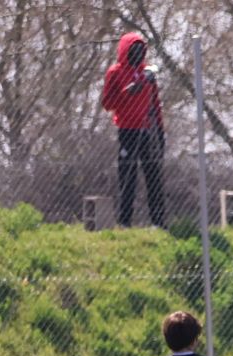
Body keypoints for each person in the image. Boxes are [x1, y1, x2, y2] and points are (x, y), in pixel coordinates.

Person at [100, 32, 166, 228]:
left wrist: (160, 131)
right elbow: (107, 103)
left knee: (153, 175)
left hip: (148, 130)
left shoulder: (147, 73)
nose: (138, 54)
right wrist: (127, 93)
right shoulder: (115, 72)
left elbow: (155, 103)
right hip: (127, 130)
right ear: (125, 51)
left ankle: (158, 222)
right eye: (133, 50)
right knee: (127, 176)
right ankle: (124, 222)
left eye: (141, 50)